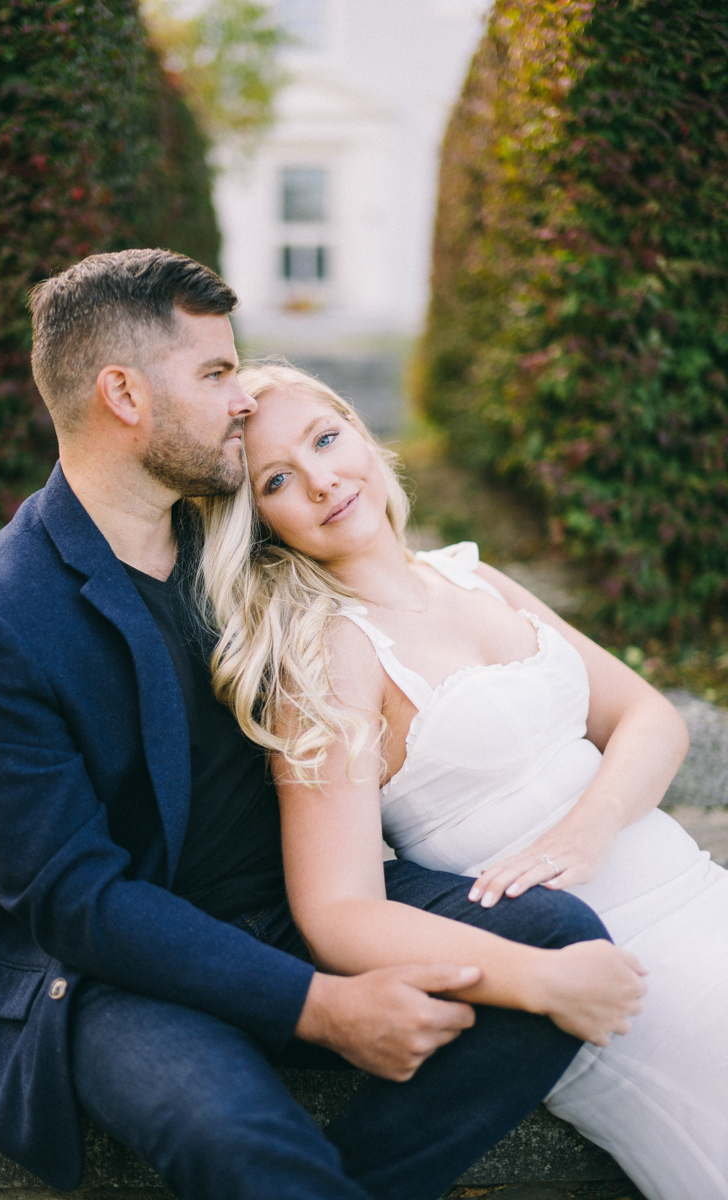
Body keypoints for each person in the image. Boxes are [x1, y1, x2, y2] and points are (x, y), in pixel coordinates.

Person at [0, 250, 645, 1200]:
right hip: (114, 973)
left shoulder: (238, 534)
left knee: (554, 938)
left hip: (303, 910)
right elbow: (79, 905)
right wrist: (325, 1009)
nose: (241, 399)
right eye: (217, 373)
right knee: (231, 1134)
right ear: (124, 394)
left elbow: (377, 576)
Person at [196, 361, 728, 1200]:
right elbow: (338, 912)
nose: (324, 479)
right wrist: (543, 979)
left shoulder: (471, 574)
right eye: (278, 480)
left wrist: (588, 827)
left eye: (327, 440)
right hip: (612, 972)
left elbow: (651, 718)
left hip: (697, 896)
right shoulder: (328, 656)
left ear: (362, 434)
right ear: (257, 522)